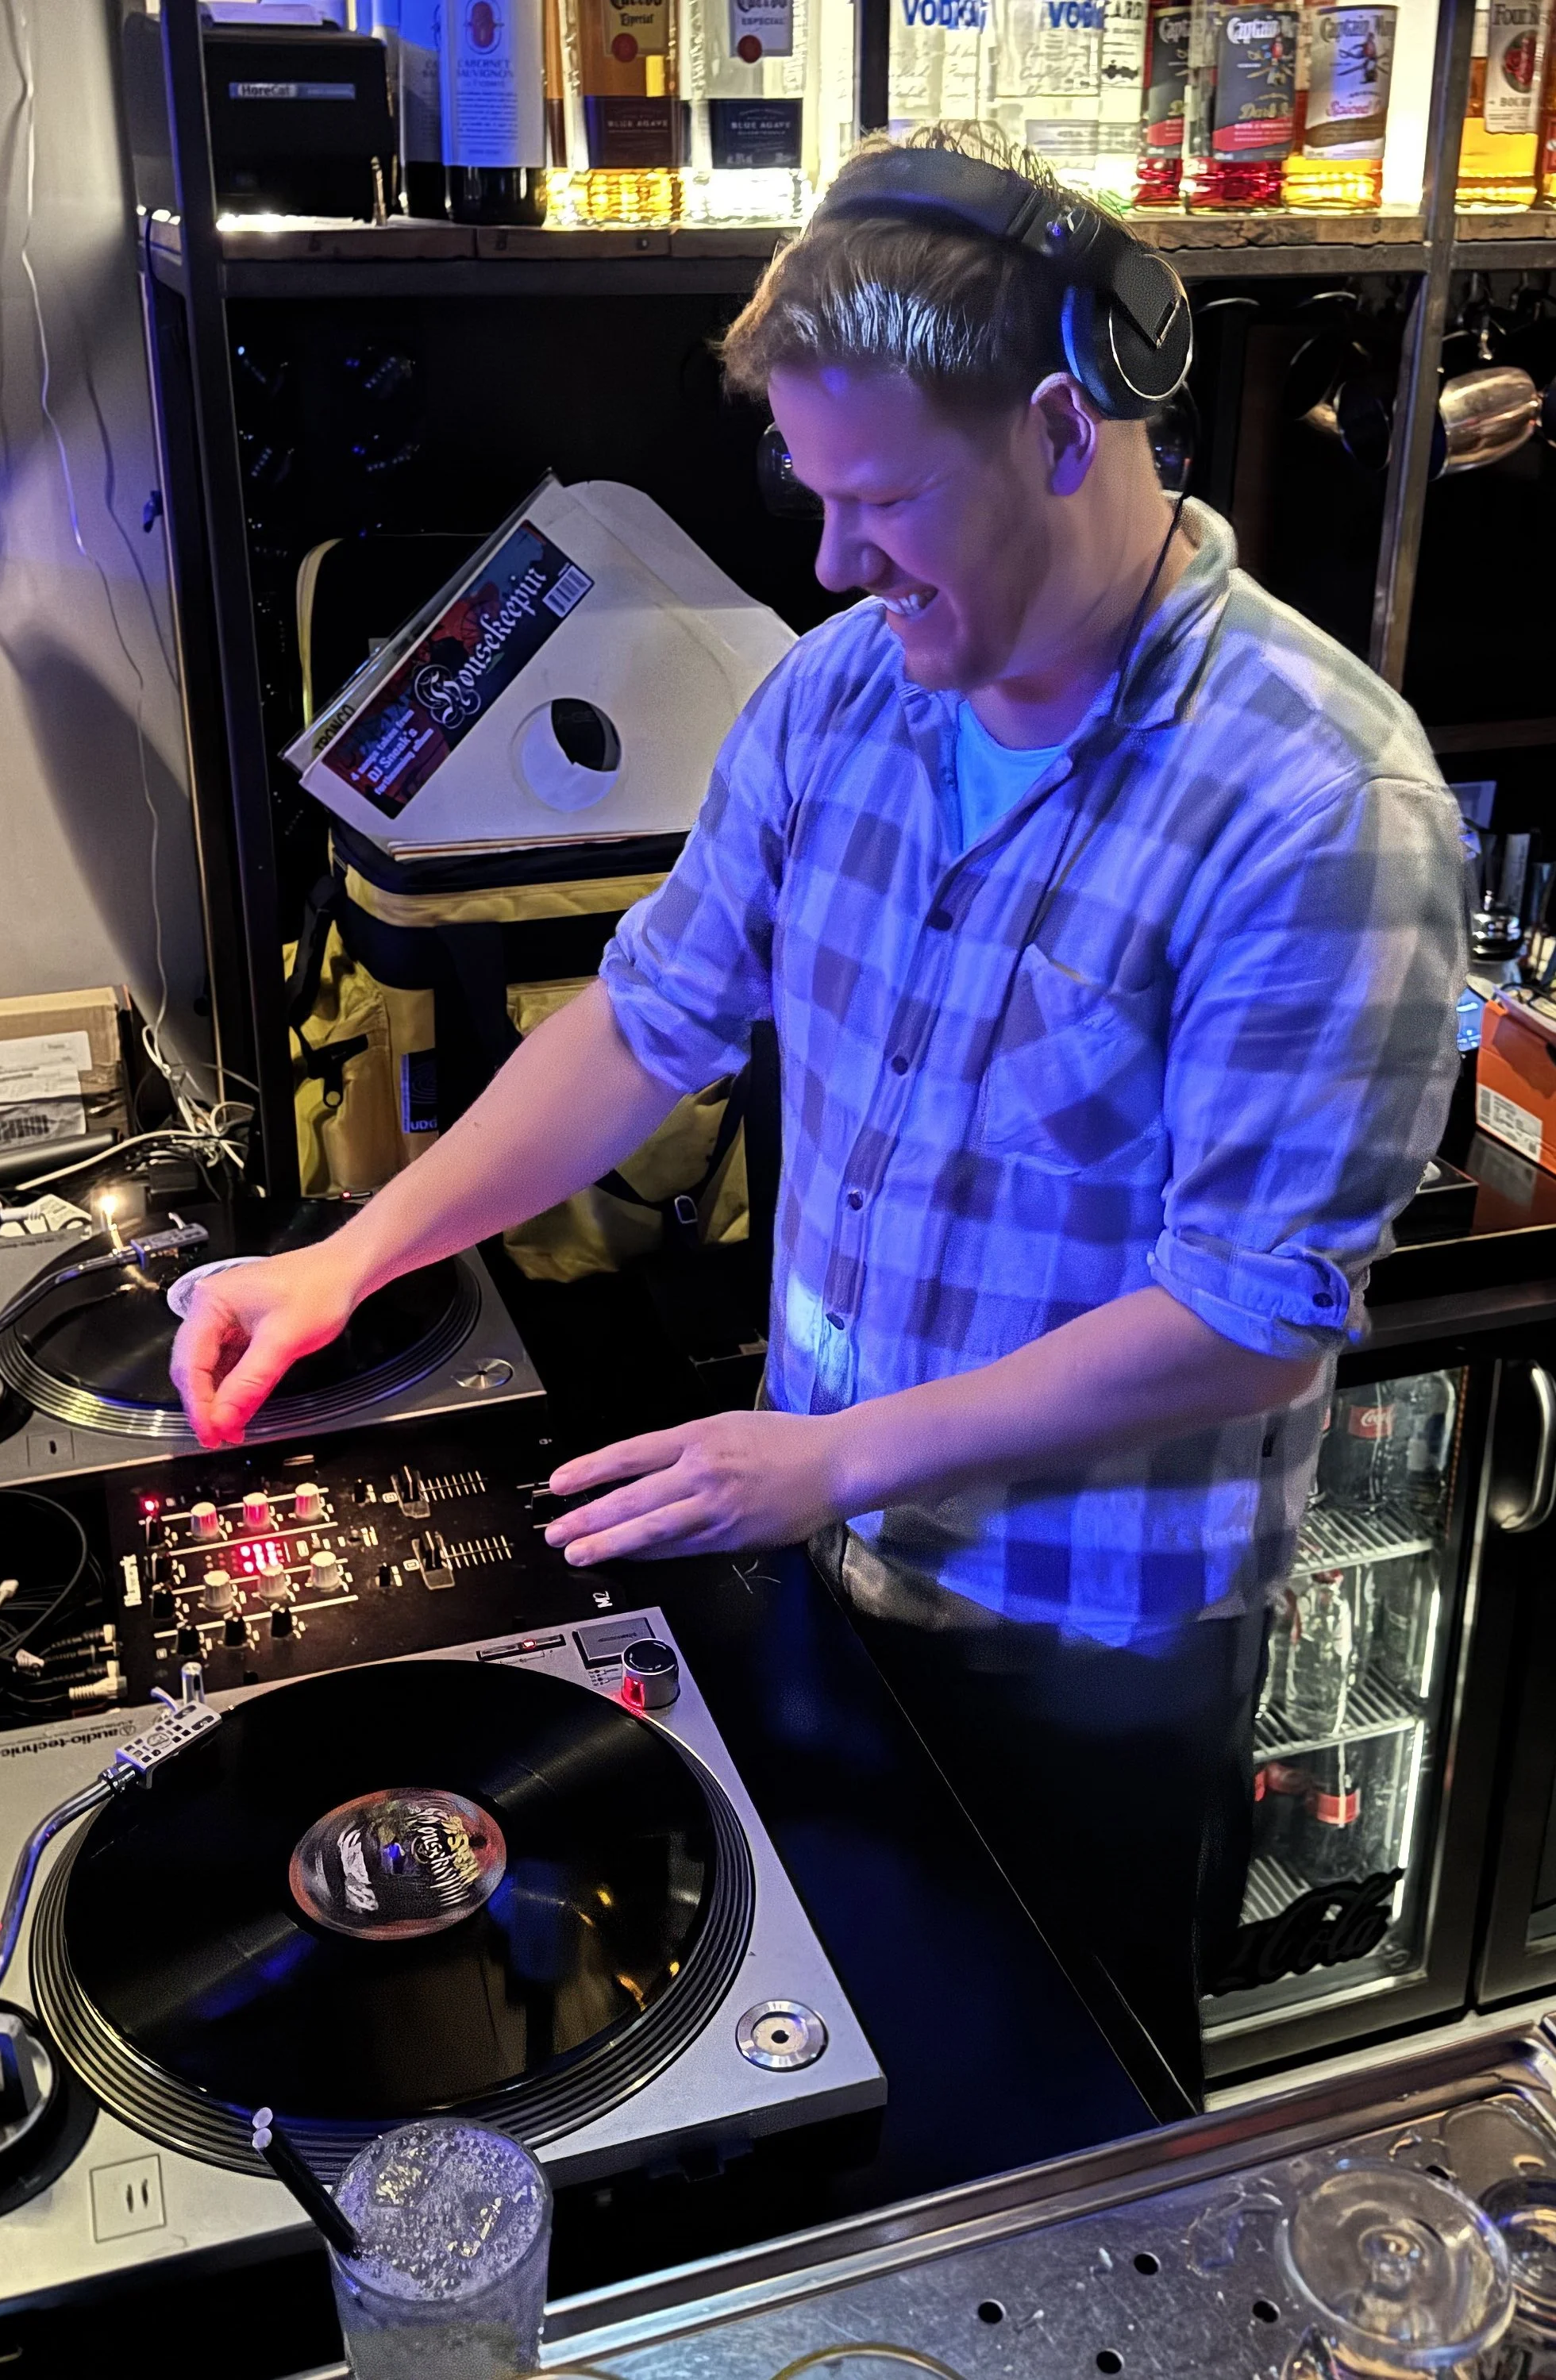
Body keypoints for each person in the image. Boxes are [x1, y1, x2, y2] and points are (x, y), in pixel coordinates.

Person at [171, 124, 1466, 2107]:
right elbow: (644, 1020)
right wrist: (351, 1257)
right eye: (811, 488)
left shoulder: (1311, 800)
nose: (833, 561)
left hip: (1085, 1658)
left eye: (878, 499)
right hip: (833, 1569)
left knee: (1045, 2125)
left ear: (1061, 423)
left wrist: (833, 1456)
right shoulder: (842, 696)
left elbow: (1248, 1309)